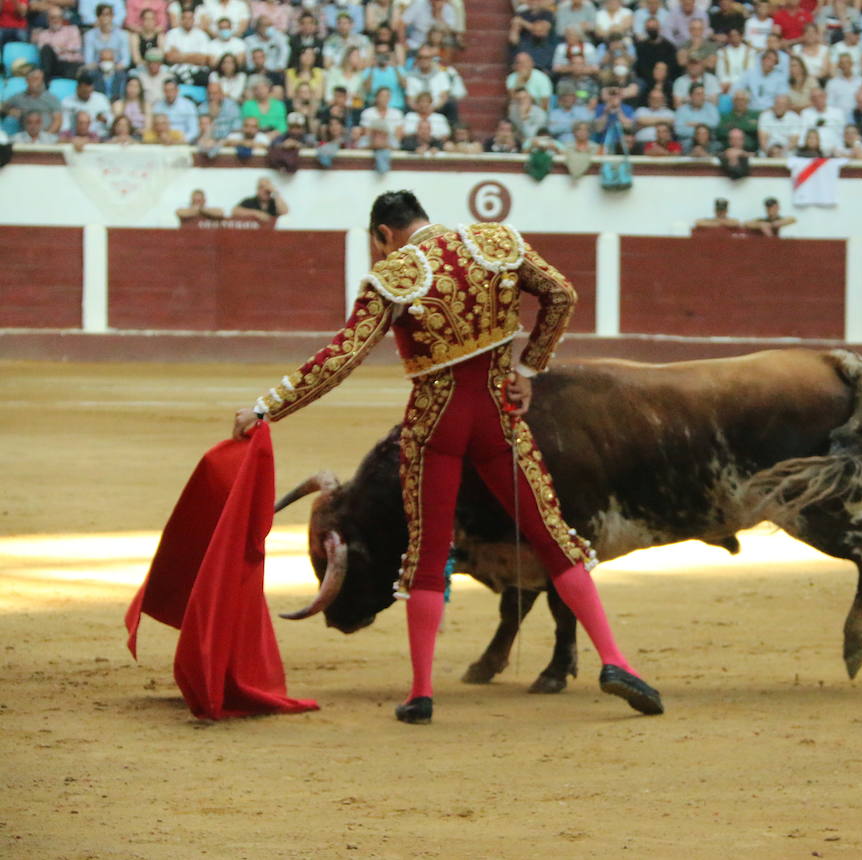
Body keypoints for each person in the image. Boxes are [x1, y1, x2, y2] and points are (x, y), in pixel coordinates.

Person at [230, 192, 664, 724]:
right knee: (556, 540)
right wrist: (529, 368)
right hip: (498, 415)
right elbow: (561, 295)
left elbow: (339, 359)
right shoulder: (495, 241)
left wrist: (266, 407)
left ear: (383, 234)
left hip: (436, 422)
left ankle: (420, 694)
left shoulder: (394, 274)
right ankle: (616, 661)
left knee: (427, 557)